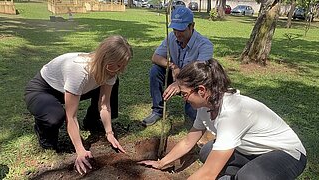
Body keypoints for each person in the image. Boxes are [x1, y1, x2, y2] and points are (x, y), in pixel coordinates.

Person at [139, 59, 307, 179]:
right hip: (253, 151)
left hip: (287, 154)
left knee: (250, 176)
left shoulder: (233, 113)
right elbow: (188, 141)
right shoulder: (207, 105)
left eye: (184, 94)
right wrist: (162, 163)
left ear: (202, 91)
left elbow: (209, 173)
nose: (183, 98)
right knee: (207, 152)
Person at [25, 35, 133, 174]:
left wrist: (109, 133)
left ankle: (91, 121)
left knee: (113, 84)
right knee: (54, 117)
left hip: (72, 88)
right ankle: (43, 129)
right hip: (43, 90)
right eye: (119, 65)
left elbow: (104, 104)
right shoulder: (79, 71)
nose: (122, 69)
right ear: (108, 59)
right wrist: (80, 150)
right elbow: (72, 117)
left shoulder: (110, 72)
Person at [142, 6, 213, 126]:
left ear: (192, 26)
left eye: (181, 29)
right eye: (175, 29)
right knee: (155, 70)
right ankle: (158, 111)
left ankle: (195, 114)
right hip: (174, 77)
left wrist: (180, 83)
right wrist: (173, 66)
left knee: (192, 114)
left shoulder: (205, 45)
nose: (177, 33)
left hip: (193, 83)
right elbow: (155, 57)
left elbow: (200, 73)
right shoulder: (171, 37)